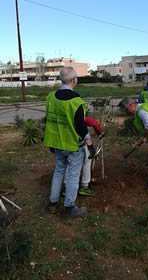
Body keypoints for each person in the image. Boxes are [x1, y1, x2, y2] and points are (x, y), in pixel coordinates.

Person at [44, 67, 95, 218]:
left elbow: (49, 121)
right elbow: (80, 125)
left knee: (59, 171)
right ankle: (69, 208)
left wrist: (50, 142)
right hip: (73, 145)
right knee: (73, 175)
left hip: (56, 143)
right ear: (74, 80)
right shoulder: (76, 101)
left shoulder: (51, 97)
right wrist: (90, 144)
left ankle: (53, 203)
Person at [78, 117, 103, 196]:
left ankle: (66, 187)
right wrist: (100, 133)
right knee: (87, 161)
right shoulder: (76, 111)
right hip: (79, 142)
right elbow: (94, 122)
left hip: (63, 143)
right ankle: (85, 186)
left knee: (68, 164)